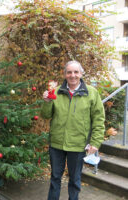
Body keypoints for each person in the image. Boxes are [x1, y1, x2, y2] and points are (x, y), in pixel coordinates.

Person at [41, 61, 105, 200]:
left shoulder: (91, 93)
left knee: (75, 181)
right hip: (57, 144)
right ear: (65, 74)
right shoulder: (56, 91)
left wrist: (95, 142)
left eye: (76, 72)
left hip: (78, 145)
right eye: (69, 72)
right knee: (55, 178)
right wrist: (46, 102)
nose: (72, 75)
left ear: (81, 74)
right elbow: (46, 115)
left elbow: (99, 120)